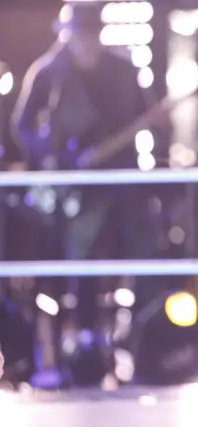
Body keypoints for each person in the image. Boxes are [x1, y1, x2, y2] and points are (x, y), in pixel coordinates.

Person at [11, 2, 160, 387]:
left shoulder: (124, 72)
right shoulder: (48, 72)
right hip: (72, 191)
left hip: (123, 184)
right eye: (79, 33)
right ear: (66, 33)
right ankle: (76, 346)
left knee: (143, 250)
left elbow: (150, 118)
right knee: (76, 266)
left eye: (91, 34)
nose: (86, 42)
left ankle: (140, 342)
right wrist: (59, 158)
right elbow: (23, 126)